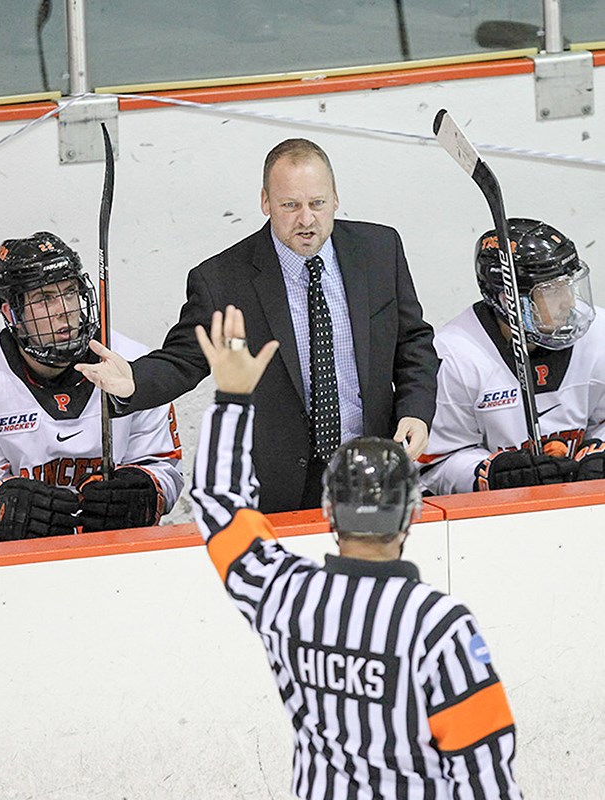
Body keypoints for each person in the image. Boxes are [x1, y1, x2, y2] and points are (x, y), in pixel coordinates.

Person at [190, 305, 522, 799]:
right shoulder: (440, 625)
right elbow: (486, 777)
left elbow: (219, 504)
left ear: (328, 512)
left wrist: (232, 398)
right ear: (413, 515)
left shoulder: (285, 595)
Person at [76, 138, 438, 513]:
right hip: (283, 488)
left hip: (375, 469)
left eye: (317, 203)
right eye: (290, 206)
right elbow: (183, 359)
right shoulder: (222, 280)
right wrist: (134, 380)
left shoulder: (380, 250)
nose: (306, 219)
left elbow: (413, 342)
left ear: (335, 198)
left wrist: (415, 410)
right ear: (266, 202)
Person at [0, 231, 184, 544]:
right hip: (16, 558)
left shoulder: (134, 364)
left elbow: (164, 465)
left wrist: (145, 492)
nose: (64, 310)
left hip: (115, 550)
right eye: (44, 298)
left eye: (70, 292)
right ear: (10, 312)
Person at [419, 217, 605, 495]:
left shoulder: (599, 332)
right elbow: (435, 464)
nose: (568, 301)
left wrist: (599, 454)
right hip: (497, 517)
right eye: (552, 291)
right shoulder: (455, 354)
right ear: (509, 301)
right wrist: (491, 474)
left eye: (569, 284)